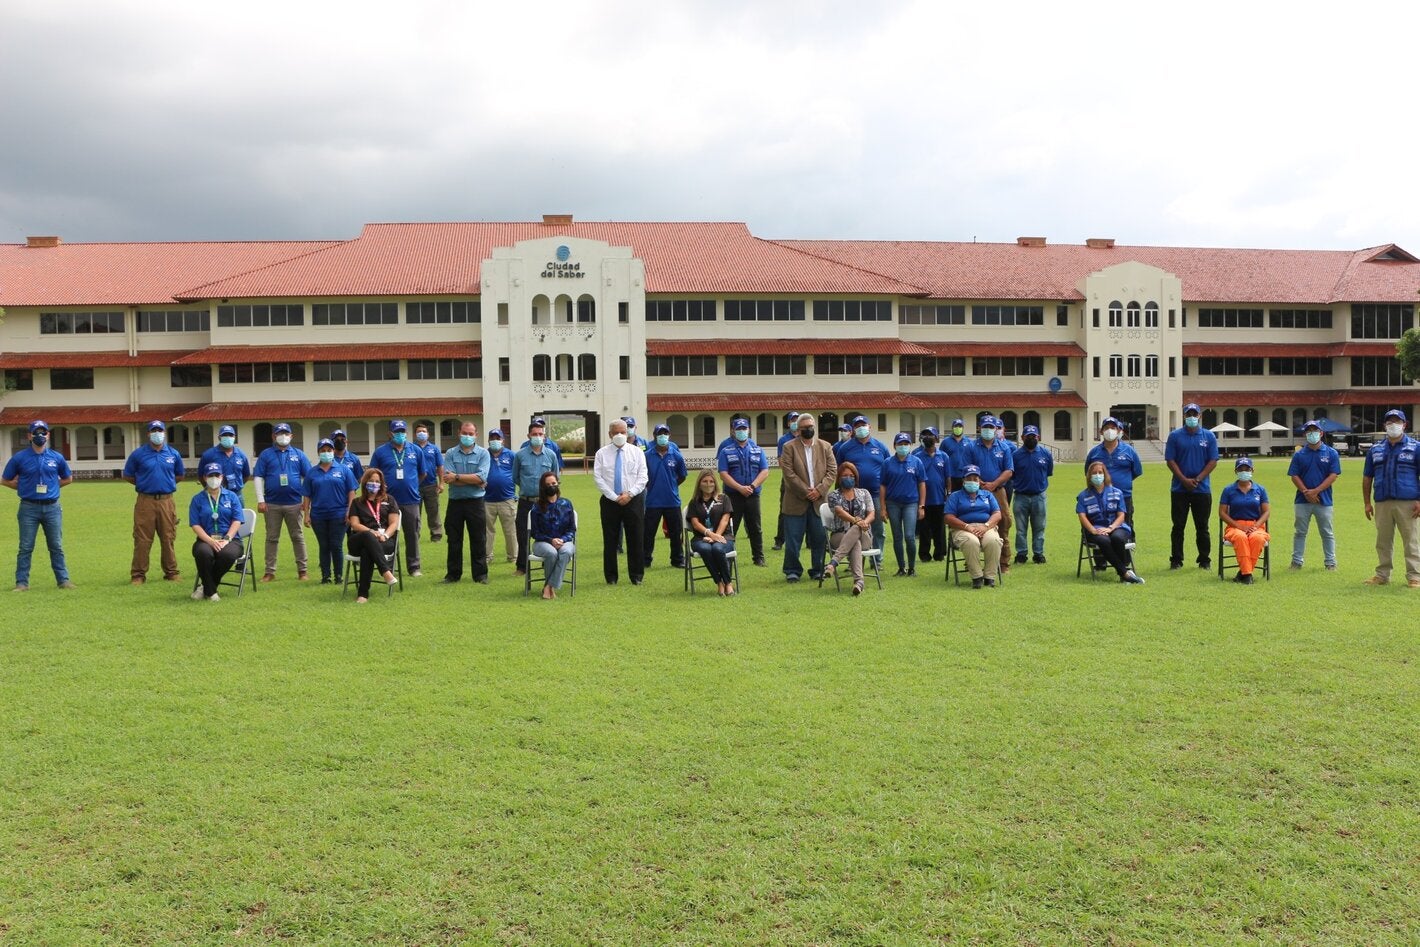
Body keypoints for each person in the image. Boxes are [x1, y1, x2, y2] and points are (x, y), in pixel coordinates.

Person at [1, 419, 76, 591]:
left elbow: (68, 478)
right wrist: (23, 488)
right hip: (29, 508)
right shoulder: (20, 458)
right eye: (36, 432)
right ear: (29, 435)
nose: (39, 435)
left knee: (56, 545)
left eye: (43, 432)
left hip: (52, 507)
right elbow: (5, 480)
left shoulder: (56, 457)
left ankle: (63, 580)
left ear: (48, 435)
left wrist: (53, 488)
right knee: (25, 547)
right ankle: (21, 583)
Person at [1361, 408, 1420, 588]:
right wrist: (1366, 503)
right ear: (1384, 425)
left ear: (1404, 425)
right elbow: (1367, 477)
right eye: (1389, 422)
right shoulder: (1375, 449)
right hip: (1382, 501)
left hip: (1408, 501)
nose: (1393, 425)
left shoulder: (1415, 447)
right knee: (1383, 540)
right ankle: (1382, 575)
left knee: (1411, 540)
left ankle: (1414, 576)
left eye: (1397, 421)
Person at [123, 419, 186, 585]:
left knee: (168, 537)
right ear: (148, 434)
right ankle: (138, 575)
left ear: (164, 433)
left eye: (160, 430)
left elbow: (179, 475)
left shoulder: (173, 454)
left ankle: (171, 572)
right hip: (145, 501)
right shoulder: (138, 454)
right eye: (154, 430)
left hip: (166, 501)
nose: (157, 433)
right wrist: (145, 483)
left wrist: (165, 484)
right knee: (142, 539)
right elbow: (128, 475)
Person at [779, 411, 836, 583]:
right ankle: (792, 570)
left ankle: (817, 569)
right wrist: (806, 492)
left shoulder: (825, 446)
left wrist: (819, 490)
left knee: (819, 538)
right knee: (793, 540)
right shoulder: (789, 447)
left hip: (819, 502)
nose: (808, 429)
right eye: (805, 428)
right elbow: (788, 474)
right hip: (795, 501)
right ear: (798, 429)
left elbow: (832, 471)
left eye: (811, 427)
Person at [252, 421, 312, 582]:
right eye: (279, 433)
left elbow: (309, 478)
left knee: (298, 537)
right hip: (271, 504)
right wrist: (260, 500)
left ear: (291, 436)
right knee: (271, 538)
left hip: (294, 503)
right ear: (273, 436)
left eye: (286, 433)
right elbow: (258, 476)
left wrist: (306, 502)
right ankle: (269, 571)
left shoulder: (299, 454)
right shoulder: (266, 455)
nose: (283, 436)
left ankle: (303, 570)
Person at [593, 418, 648, 585]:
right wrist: (615, 497)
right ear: (610, 434)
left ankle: (636, 576)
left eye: (622, 432)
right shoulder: (601, 453)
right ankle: (611, 577)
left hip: (633, 499)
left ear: (628, 433)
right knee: (610, 540)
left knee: (636, 538)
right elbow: (598, 478)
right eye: (616, 432)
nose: (619, 435)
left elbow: (643, 476)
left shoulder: (637, 452)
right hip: (610, 501)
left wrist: (629, 494)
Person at [369, 419, 427, 577]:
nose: (400, 434)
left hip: (411, 499)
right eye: (397, 431)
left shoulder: (415, 450)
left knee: (412, 533)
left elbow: (423, 473)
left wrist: (411, 484)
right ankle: (388, 566)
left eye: (402, 431)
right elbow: (373, 474)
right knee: (388, 534)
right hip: (387, 501)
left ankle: (414, 566)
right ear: (390, 433)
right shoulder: (381, 452)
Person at [1165, 403, 1219, 570]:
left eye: (1195, 414)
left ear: (1200, 416)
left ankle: (1204, 559)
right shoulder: (1175, 436)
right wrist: (1183, 480)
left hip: (1202, 489)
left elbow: (1213, 460)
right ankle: (1176, 559)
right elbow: (1170, 460)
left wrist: (1198, 479)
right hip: (1179, 489)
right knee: (1178, 526)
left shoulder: (1208, 436)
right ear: (1184, 416)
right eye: (1189, 414)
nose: (1192, 417)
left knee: (1202, 526)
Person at [1077, 460, 1145, 584]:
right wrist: (1092, 530)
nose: (1097, 475)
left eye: (1100, 472)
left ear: (1105, 474)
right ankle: (1125, 573)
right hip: (1095, 529)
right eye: (1094, 473)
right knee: (1104, 540)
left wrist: (1111, 528)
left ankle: (1123, 574)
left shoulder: (1116, 492)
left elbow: (1121, 515)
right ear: (1089, 476)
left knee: (1117, 538)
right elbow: (1082, 516)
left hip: (1117, 526)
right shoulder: (1083, 496)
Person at [961, 416, 1014, 572]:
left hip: (998, 491)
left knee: (1004, 523)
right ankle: (972, 562)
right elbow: (966, 468)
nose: (989, 430)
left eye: (991, 427)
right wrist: (981, 483)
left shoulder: (1004, 447)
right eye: (986, 427)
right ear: (979, 428)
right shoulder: (971, 447)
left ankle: (1003, 563)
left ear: (996, 429)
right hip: (975, 491)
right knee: (974, 522)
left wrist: (994, 484)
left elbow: (1009, 470)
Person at [442, 420, 491, 585]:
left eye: (471, 434)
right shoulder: (450, 453)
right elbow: (448, 478)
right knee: (454, 539)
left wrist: (457, 477)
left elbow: (482, 478)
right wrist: (473, 479)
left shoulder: (483, 454)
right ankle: (453, 574)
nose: (467, 436)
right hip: (455, 502)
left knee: (478, 539)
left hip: (475, 502)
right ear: (459, 433)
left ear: (476, 435)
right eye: (465, 433)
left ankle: (480, 575)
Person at [1288, 419, 1341, 571]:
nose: (1312, 434)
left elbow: (1333, 475)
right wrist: (1306, 492)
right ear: (1305, 434)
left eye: (1315, 431)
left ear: (1321, 433)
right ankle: (1296, 561)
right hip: (1302, 499)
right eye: (1309, 431)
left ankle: (1330, 562)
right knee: (1300, 532)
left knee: (1327, 532)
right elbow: (1294, 475)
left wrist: (1316, 491)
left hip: (1323, 500)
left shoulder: (1331, 453)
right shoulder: (1299, 455)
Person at [302, 438, 357, 584]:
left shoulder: (343, 470)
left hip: (339, 514)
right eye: (323, 451)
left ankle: (338, 575)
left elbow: (352, 491)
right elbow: (307, 495)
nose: (326, 453)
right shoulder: (312, 472)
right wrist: (306, 514)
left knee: (336, 544)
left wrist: (349, 511)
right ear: (318, 453)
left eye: (329, 450)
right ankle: (325, 576)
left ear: (333, 451)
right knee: (324, 545)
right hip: (318, 515)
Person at [189, 460, 246, 601]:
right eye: (210, 476)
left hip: (231, 539)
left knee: (227, 555)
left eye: (217, 475)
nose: (214, 479)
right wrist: (210, 541)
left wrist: (226, 539)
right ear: (204, 478)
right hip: (206, 539)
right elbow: (195, 524)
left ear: (222, 477)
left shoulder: (232, 497)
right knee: (202, 552)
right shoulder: (197, 499)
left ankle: (206, 587)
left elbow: (237, 520)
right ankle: (211, 592)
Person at [717, 417, 770, 566]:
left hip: (753, 495)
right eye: (738, 429)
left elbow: (764, 471)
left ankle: (758, 558)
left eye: (744, 429)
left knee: (755, 527)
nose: (742, 431)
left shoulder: (757, 450)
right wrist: (740, 488)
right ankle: (727, 557)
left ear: (749, 430)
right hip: (733, 496)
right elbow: (723, 473)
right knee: (730, 527)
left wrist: (752, 486)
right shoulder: (726, 451)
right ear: (733, 431)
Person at [834, 415, 890, 555]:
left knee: (878, 528)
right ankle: (852, 559)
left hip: (876, 493)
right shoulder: (845, 448)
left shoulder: (880, 446)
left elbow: (888, 469)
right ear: (853, 430)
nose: (861, 428)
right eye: (857, 426)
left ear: (869, 427)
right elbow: (839, 470)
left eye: (863, 425)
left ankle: (877, 559)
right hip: (852, 495)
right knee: (852, 527)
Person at [511, 419, 560, 575]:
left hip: (545, 502)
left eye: (540, 434)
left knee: (548, 533)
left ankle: (548, 562)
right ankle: (522, 567)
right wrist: (528, 488)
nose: (538, 436)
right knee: (522, 534)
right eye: (534, 434)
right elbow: (515, 477)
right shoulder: (520, 455)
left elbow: (555, 478)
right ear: (528, 435)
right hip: (526, 502)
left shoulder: (551, 455)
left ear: (544, 436)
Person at [346, 468, 401, 603]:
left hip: (384, 540)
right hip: (358, 539)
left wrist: (386, 536)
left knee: (367, 551)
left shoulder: (389, 500)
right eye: (371, 481)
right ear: (365, 483)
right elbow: (354, 524)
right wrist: (372, 532)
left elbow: (394, 523)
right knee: (367, 536)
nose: (374, 484)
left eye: (377, 481)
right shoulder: (357, 502)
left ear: (382, 484)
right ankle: (386, 572)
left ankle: (363, 595)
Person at [945, 465, 1002, 589]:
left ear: (979, 481)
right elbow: (948, 517)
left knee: (994, 541)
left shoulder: (987, 495)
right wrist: (967, 527)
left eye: (975, 479)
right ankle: (977, 577)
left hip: (986, 527)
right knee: (971, 541)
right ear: (963, 481)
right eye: (969, 479)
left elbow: (997, 514)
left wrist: (986, 526)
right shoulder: (955, 496)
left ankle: (989, 577)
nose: (972, 482)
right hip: (963, 528)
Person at [1084, 417, 1143, 532]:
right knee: (1101, 527)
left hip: (1124, 496)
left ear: (1119, 431)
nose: (1109, 431)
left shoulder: (1129, 451)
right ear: (1101, 432)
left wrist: (1122, 481)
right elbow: (1088, 472)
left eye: (1113, 428)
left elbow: (1136, 472)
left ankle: (1127, 549)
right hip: (1100, 498)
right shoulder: (1094, 452)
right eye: (1106, 428)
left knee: (1125, 526)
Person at [825, 461, 875, 596]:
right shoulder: (833, 495)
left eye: (852, 476)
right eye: (845, 475)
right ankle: (859, 582)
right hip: (839, 535)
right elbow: (839, 511)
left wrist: (864, 522)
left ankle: (833, 563)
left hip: (864, 535)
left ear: (856, 478)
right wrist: (856, 521)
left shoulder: (864, 493)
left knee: (856, 532)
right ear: (839, 478)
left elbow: (872, 513)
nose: (849, 478)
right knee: (855, 542)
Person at [880, 432, 926, 576]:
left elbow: (922, 484)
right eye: (900, 444)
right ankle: (901, 567)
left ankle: (911, 567)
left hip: (911, 503)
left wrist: (922, 506)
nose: (903, 446)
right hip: (892, 503)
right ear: (894, 446)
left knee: (909, 536)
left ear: (910, 446)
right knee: (897, 536)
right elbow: (882, 486)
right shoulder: (887, 462)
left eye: (906, 444)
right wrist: (882, 507)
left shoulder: (916, 462)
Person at [1219, 457, 1271, 584]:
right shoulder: (1228, 490)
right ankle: (1247, 575)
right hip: (1234, 526)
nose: (1244, 471)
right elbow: (1222, 513)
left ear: (1252, 470)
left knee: (1257, 539)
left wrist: (1256, 525)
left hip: (1256, 525)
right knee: (1240, 538)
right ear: (1236, 471)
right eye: (1240, 469)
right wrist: (1238, 525)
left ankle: (1243, 573)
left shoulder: (1260, 490)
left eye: (1246, 469)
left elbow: (1266, 511)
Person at [642, 423, 687, 570]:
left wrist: (671, 485)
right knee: (648, 533)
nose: (662, 436)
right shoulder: (647, 456)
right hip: (652, 501)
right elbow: (643, 477)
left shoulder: (676, 455)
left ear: (669, 435)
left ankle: (677, 559)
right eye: (659, 434)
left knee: (676, 533)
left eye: (665, 433)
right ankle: (645, 559)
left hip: (672, 501)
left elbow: (682, 476)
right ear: (654, 436)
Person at [686, 469, 736, 595]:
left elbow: (725, 520)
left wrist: (716, 536)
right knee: (706, 549)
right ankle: (719, 582)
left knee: (718, 549)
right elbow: (695, 524)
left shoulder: (723, 498)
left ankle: (728, 583)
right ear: (699, 483)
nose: (708, 484)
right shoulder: (694, 502)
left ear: (715, 483)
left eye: (711, 481)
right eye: (705, 481)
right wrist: (709, 534)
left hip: (724, 537)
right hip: (701, 538)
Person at [1011, 424, 1054, 564]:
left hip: (1039, 496)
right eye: (1028, 436)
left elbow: (1048, 472)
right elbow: (1012, 474)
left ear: (1038, 437)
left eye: (1033, 436)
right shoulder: (1015, 455)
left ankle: (1038, 554)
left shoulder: (1046, 454)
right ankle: (1021, 554)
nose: (1031, 438)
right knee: (1020, 529)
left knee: (1039, 528)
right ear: (1022, 437)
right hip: (1020, 496)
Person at [530, 471, 576, 599]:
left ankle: (548, 587)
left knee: (566, 552)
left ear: (558, 484)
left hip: (564, 541)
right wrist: (551, 540)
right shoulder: (537, 507)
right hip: (542, 543)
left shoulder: (567, 504)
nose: (551, 486)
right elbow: (535, 532)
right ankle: (551, 588)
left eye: (554, 483)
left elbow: (572, 529)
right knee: (552, 553)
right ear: (543, 487)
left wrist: (562, 539)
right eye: (548, 484)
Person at [913, 427, 950, 563]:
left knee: (939, 528)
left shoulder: (944, 456)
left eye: (931, 435)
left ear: (937, 438)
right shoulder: (917, 457)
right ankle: (924, 554)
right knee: (924, 529)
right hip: (923, 499)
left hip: (939, 497)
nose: (928, 438)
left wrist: (949, 493)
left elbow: (948, 477)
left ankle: (939, 554)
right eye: (925, 436)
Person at [483, 429, 518, 568]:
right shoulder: (484, 454)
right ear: (488, 440)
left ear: (503, 440)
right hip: (487, 499)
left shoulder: (511, 455)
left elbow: (517, 473)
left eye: (498, 437)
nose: (495, 440)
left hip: (507, 499)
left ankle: (513, 556)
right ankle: (487, 556)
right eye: (492, 437)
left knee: (510, 530)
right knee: (487, 530)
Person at [773, 411, 800, 551]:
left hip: (805, 481)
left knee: (809, 510)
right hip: (788, 481)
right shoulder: (783, 440)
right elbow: (781, 462)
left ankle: (809, 541)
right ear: (788, 423)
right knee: (784, 509)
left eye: (797, 419)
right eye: (792, 420)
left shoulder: (805, 438)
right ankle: (779, 540)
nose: (795, 422)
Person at [413, 422, 445, 543]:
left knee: (433, 511)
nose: (421, 433)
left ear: (428, 434)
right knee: (415, 513)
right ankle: (415, 535)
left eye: (424, 431)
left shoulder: (434, 449)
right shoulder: (412, 448)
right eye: (419, 431)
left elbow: (440, 466)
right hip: (415, 486)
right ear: (415, 434)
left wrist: (441, 483)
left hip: (431, 485)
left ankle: (436, 535)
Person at [198, 425, 252, 495]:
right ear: (219, 438)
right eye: (225, 435)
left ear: (234, 437)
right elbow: (201, 476)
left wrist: (237, 486)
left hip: (237, 494)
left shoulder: (241, 455)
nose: (228, 437)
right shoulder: (208, 455)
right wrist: (210, 487)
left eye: (230, 435)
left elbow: (246, 475)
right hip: (216, 493)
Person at [942, 417, 969, 492]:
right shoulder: (945, 442)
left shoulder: (969, 442)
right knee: (952, 497)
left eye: (960, 426)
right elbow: (941, 458)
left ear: (963, 428)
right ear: (952, 428)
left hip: (965, 475)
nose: (958, 428)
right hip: (950, 476)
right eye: (956, 426)